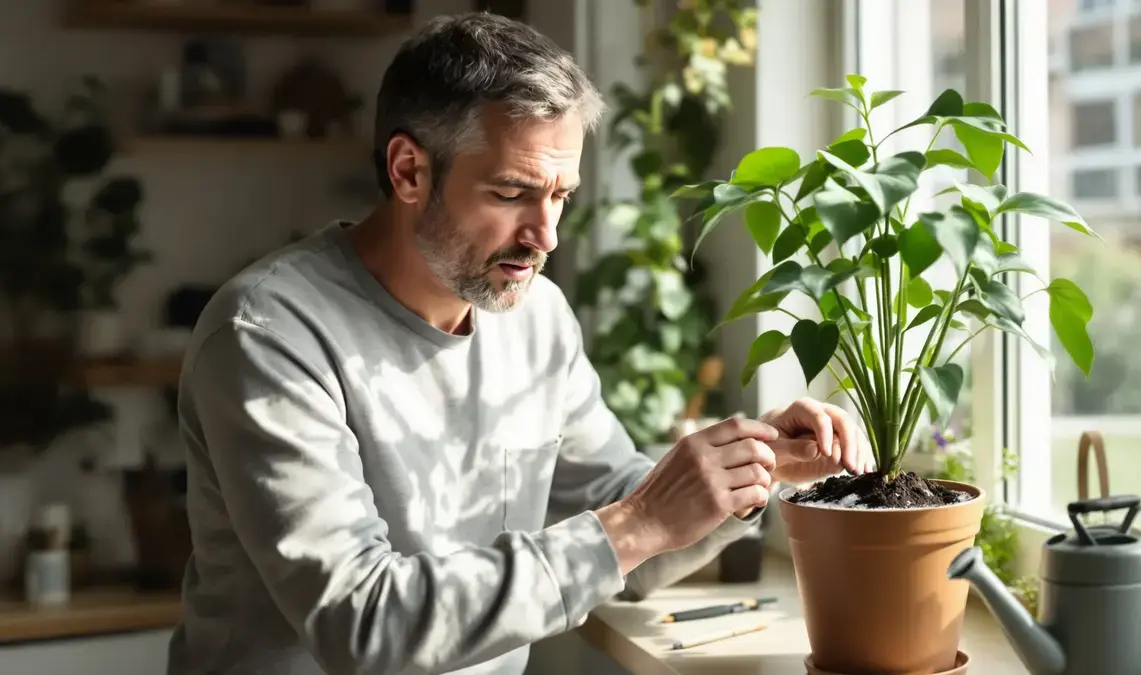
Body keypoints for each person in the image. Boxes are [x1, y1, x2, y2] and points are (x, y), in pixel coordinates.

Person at [165, 11, 868, 675]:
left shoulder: (536, 319)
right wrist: (638, 521)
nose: (547, 235)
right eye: (511, 193)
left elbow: (630, 539)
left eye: (561, 195)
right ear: (409, 170)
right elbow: (363, 621)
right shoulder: (267, 335)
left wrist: (750, 469)